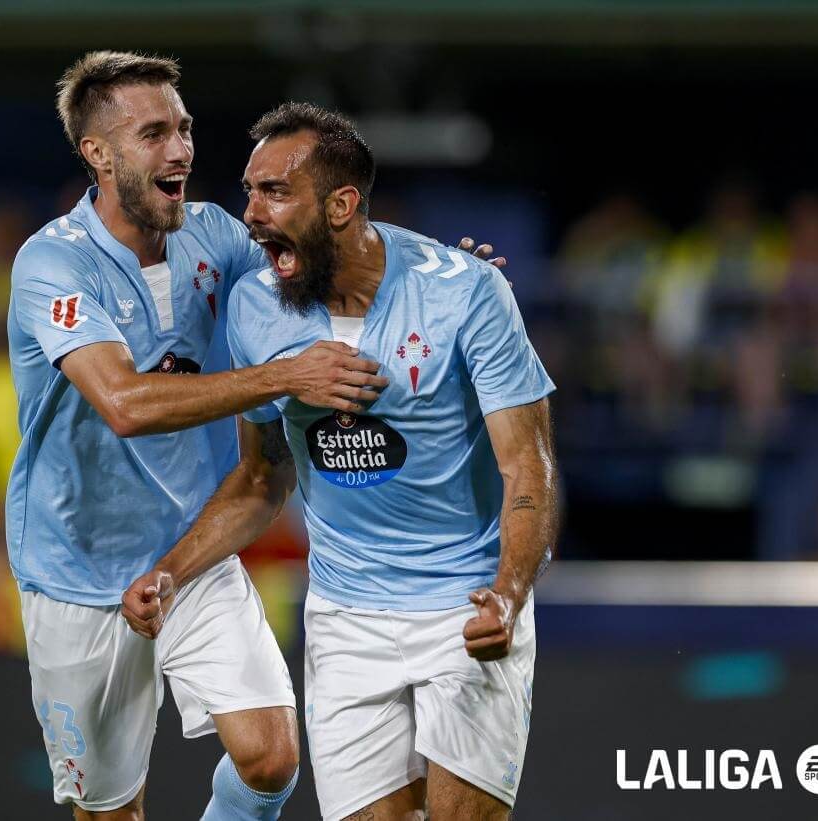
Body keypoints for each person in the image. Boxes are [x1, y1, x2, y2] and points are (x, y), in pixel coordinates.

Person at [121, 103, 559, 821]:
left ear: (341, 205)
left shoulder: (466, 292)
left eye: (274, 192)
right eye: (249, 189)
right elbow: (262, 479)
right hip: (346, 618)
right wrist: (171, 570)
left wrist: (509, 590)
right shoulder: (255, 309)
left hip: (465, 604)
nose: (252, 213)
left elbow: (528, 467)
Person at [9, 51, 391, 820]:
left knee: (272, 755)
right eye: (154, 133)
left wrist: (426, 277)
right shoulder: (52, 263)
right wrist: (283, 378)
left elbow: (315, 274)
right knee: (111, 810)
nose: (181, 149)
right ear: (98, 153)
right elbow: (123, 402)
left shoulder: (216, 236)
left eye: (184, 128)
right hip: (78, 574)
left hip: (193, 550)